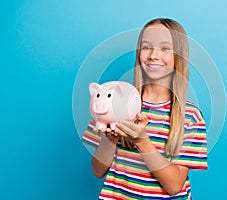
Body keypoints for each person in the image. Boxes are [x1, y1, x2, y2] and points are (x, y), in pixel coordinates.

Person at [82, 18, 208, 200]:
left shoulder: (190, 116)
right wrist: (109, 141)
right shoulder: (114, 101)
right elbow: (97, 170)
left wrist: (142, 141)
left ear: (178, 56)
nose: (153, 55)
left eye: (165, 48)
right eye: (146, 47)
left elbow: (174, 187)